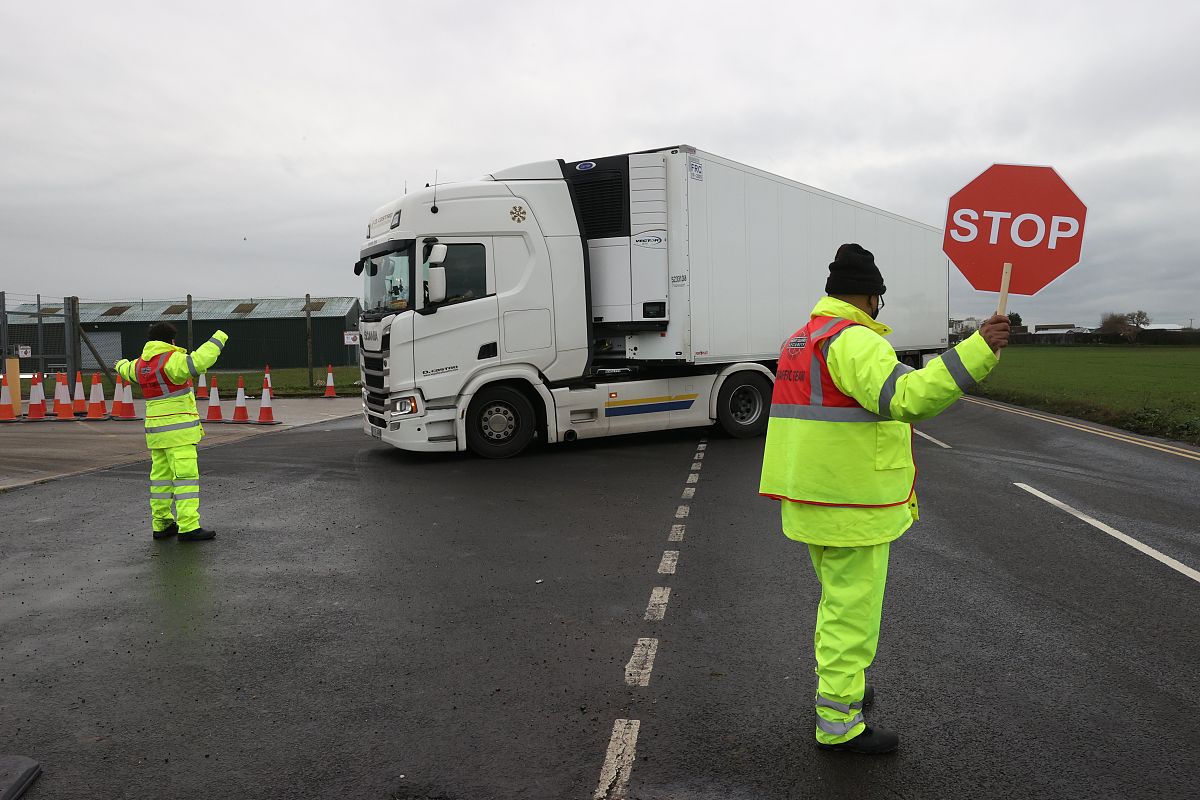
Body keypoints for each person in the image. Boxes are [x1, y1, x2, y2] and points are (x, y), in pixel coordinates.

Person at [759, 243, 1010, 754]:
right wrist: (978, 348)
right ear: (872, 297)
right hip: (851, 505)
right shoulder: (854, 341)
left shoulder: (803, 339)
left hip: (813, 497)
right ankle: (839, 723)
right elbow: (907, 397)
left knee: (838, 605)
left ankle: (843, 688)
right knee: (851, 616)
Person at [114, 322, 229, 542]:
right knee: (185, 480)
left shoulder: (140, 365)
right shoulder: (172, 360)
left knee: (160, 480)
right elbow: (199, 361)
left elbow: (125, 369)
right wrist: (220, 337)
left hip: (156, 434)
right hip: (179, 434)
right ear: (171, 340)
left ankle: (162, 524)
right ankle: (189, 527)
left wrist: (119, 364)